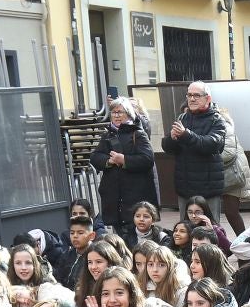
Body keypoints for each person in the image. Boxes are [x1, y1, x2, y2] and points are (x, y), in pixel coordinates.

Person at [91, 97, 158, 231]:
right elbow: (95, 157)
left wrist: (124, 160)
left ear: (128, 113)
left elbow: (147, 158)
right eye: (113, 112)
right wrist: (108, 161)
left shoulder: (138, 134)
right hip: (114, 197)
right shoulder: (107, 135)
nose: (116, 115)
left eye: (119, 112)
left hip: (135, 195)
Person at [162, 81, 227, 209]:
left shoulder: (217, 119)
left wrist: (186, 135)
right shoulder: (182, 118)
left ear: (208, 98)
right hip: (185, 186)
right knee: (185, 227)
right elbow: (168, 148)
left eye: (196, 95)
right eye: (189, 95)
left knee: (209, 226)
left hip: (208, 187)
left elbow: (212, 145)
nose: (192, 99)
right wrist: (172, 139)